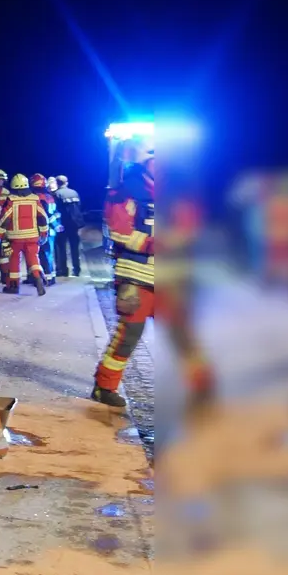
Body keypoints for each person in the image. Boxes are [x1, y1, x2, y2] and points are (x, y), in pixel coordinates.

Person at [92, 155, 214, 408]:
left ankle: (203, 389)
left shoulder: (179, 193)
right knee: (129, 334)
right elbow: (118, 230)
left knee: (183, 334)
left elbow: (192, 228)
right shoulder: (125, 193)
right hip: (136, 276)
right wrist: (154, 244)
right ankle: (104, 387)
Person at [0, 173, 49, 296]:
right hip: (32, 236)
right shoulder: (35, 199)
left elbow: (5, 218)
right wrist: (44, 233)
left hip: (15, 238)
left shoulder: (11, 200)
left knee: (14, 261)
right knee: (34, 259)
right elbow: (43, 217)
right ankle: (38, 278)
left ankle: (13, 287)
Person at [54, 174, 84, 277]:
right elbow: (79, 207)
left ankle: (63, 270)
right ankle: (77, 269)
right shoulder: (74, 193)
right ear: (66, 183)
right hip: (75, 224)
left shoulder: (57, 194)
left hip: (63, 224)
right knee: (75, 248)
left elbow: (56, 210)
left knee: (61, 248)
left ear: (57, 183)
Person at [32, 174, 59, 279]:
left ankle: (44, 276)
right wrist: (56, 224)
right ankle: (49, 276)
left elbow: (43, 215)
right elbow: (56, 212)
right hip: (51, 230)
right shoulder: (50, 196)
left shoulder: (37, 198)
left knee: (40, 254)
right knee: (47, 254)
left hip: (40, 230)